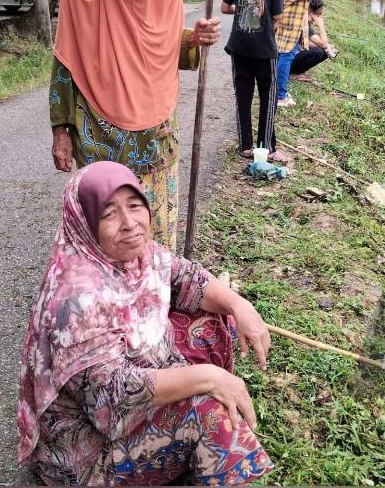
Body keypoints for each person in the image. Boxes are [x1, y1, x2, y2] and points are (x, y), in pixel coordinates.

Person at [18, 161, 275, 486]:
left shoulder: (141, 256)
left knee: (214, 320)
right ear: (84, 223)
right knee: (210, 412)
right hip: (91, 453)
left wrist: (241, 306)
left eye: (135, 206)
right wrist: (209, 377)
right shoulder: (76, 297)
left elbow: (187, 279)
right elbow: (113, 396)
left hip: (123, 408)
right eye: (109, 214)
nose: (130, 224)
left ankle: (189, 445)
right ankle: (199, 441)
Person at [48, 0, 221, 250]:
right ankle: (113, 306)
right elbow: (65, 63)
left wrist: (194, 39)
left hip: (157, 137)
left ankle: (155, 299)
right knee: (107, 236)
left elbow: (164, 47)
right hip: (100, 136)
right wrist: (61, 132)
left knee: (156, 235)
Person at [220, 0, 284, 159]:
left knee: (243, 96)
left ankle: (245, 146)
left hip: (239, 47)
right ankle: (265, 146)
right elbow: (277, 15)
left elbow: (225, 8)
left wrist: (244, 7)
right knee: (268, 98)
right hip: (265, 49)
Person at [290, 0, 336, 81]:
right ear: (311, 14)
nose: (320, 17)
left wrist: (327, 47)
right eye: (319, 14)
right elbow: (323, 44)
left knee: (325, 51)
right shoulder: (303, 23)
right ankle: (294, 73)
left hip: (293, 52)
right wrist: (321, 26)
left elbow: (308, 42)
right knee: (318, 52)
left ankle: (298, 71)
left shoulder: (305, 21)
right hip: (286, 58)